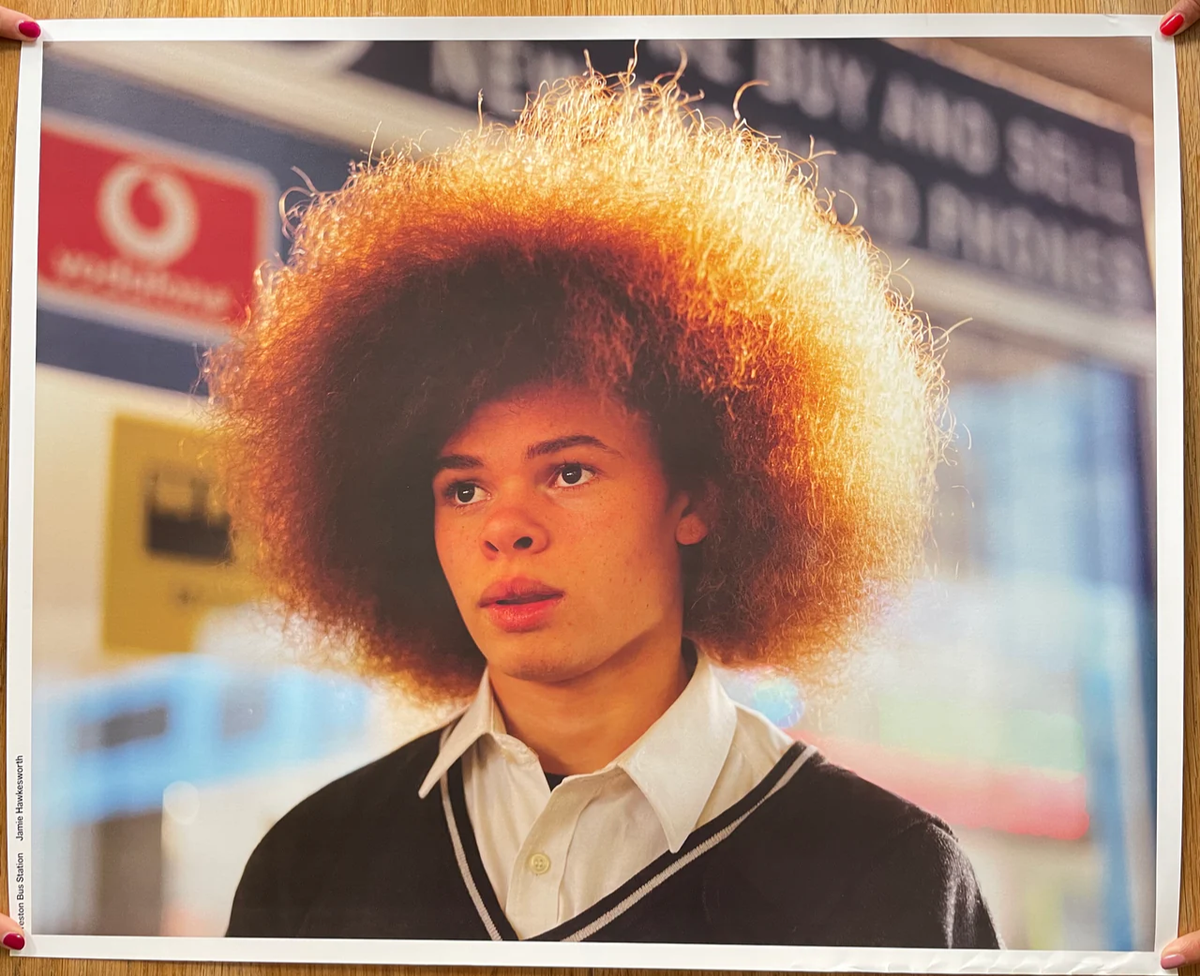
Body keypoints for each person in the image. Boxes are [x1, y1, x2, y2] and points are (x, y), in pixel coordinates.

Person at [0, 13, 1187, 963]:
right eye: (460, 488)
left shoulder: (887, 877)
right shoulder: (312, 864)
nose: (505, 525)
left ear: (701, 497)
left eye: (567, 470)